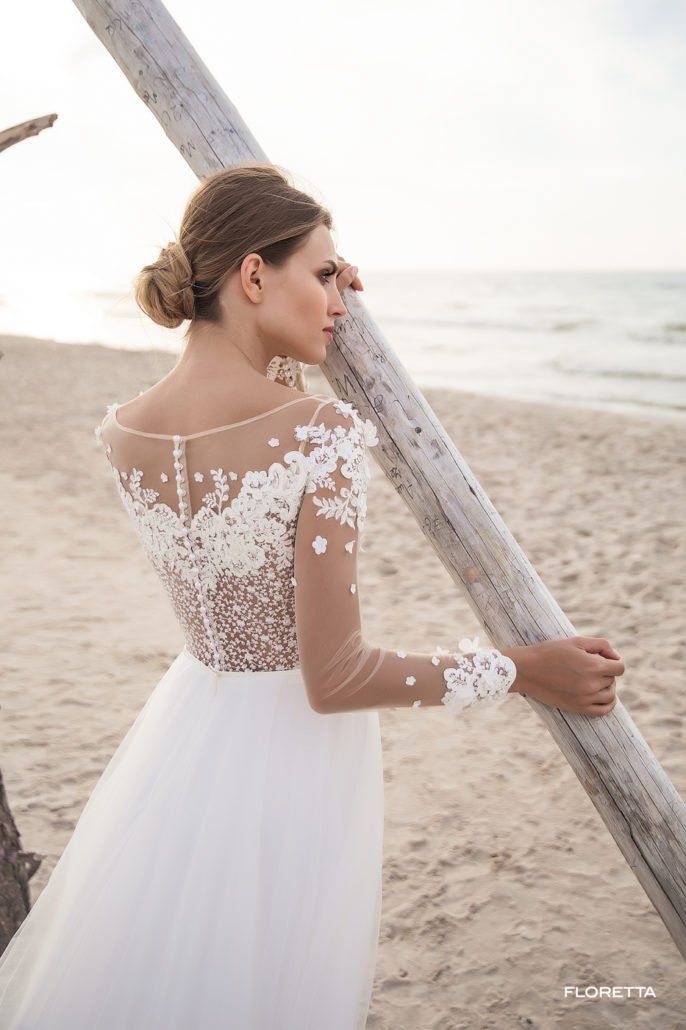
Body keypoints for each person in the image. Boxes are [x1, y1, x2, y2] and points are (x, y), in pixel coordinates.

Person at [0, 162, 624, 1029]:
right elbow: (334, 677)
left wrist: (312, 299)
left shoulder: (125, 430)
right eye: (327, 275)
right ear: (254, 276)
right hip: (291, 762)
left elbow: (245, 430)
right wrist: (522, 670)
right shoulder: (320, 434)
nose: (342, 301)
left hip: (187, 736)